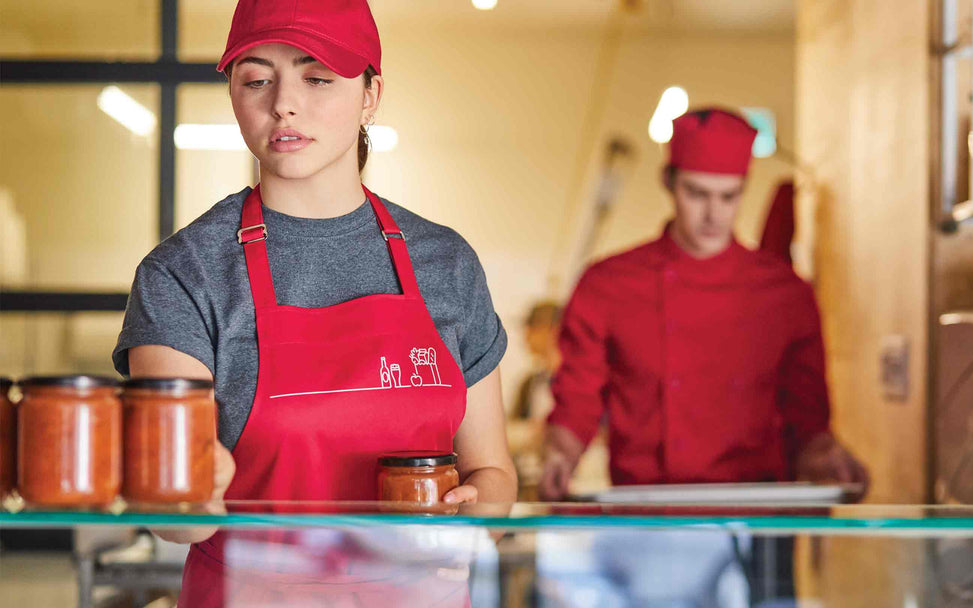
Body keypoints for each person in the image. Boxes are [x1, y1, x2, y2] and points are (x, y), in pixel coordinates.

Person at [112, 0, 516, 604]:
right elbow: (178, 520)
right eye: (256, 79)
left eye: (317, 76)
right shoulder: (184, 273)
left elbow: (495, 473)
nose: (284, 103)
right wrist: (185, 495)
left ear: (371, 94)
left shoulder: (447, 263)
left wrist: (468, 515)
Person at [540, 108, 866, 500]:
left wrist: (827, 457)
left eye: (729, 196)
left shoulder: (785, 293)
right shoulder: (607, 284)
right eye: (697, 193)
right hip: (644, 512)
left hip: (756, 519)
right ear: (669, 182)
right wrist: (559, 454)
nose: (713, 214)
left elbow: (807, 417)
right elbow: (577, 400)